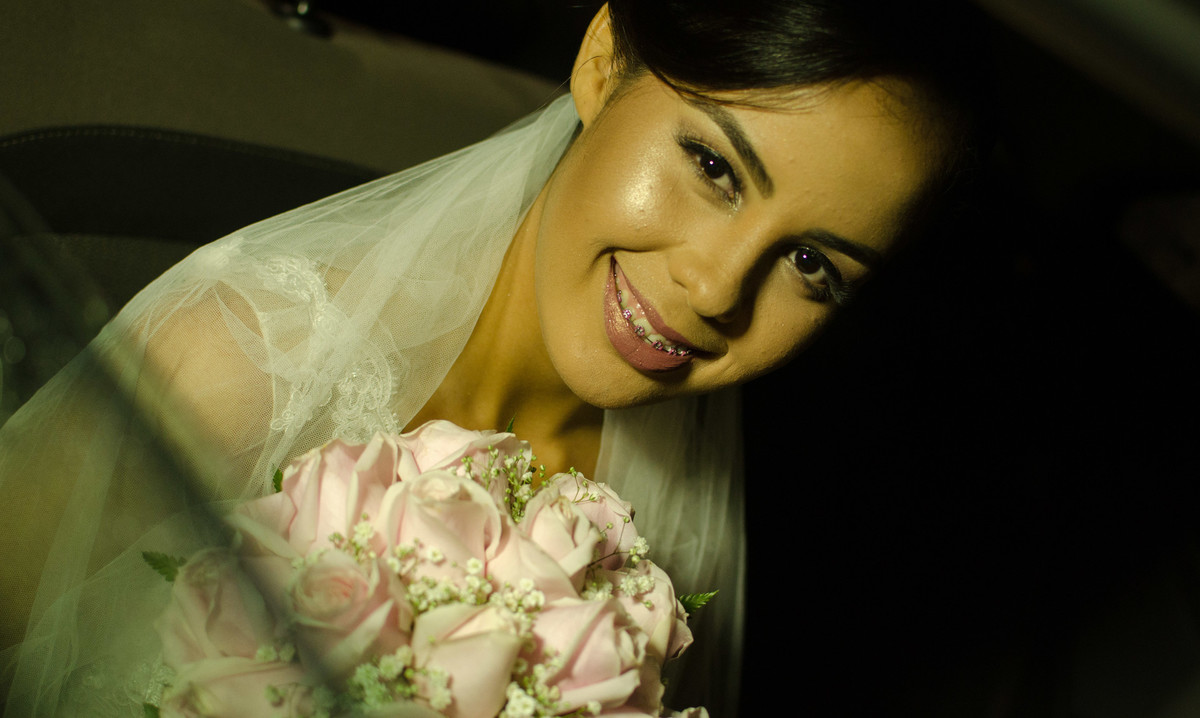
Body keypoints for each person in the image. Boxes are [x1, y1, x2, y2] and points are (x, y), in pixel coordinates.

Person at [0, 1, 985, 715]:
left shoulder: (681, 506)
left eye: (812, 265)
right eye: (713, 166)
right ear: (602, 62)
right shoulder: (241, 356)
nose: (718, 287)